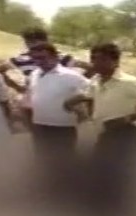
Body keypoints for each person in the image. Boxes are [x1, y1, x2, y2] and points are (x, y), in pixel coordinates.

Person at [64, 43, 136, 216]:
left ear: (115, 61)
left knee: (121, 175)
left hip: (123, 134)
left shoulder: (129, 82)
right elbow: (88, 94)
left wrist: (127, 119)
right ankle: (107, 213)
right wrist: (71, 101)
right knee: (102, 174)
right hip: (103, 134)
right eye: (94, 59)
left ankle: (127, 215)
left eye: (102, 59)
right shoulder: (96, 80)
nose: (96, 63)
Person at [0, 27, 93, 129]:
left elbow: (91, 68)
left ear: (46, 41)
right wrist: (18, 88)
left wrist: (77, 82)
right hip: (35, 99)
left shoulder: (60, 57)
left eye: (36, 41)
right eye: (29, 41)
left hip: (61, 98)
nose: (32, 45)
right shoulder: (21, 59)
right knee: (35, 128)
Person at [27, 42, 90, 194]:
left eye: (43, 57)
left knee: (64, 163)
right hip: (39, 125)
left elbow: (92, 90)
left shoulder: (70, 75)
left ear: (55, 57)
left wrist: (74, 102)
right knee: (42, 161)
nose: (39, 62)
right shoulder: (34, 74)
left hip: (62, 127)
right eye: (35, 59)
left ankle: (66, 195)